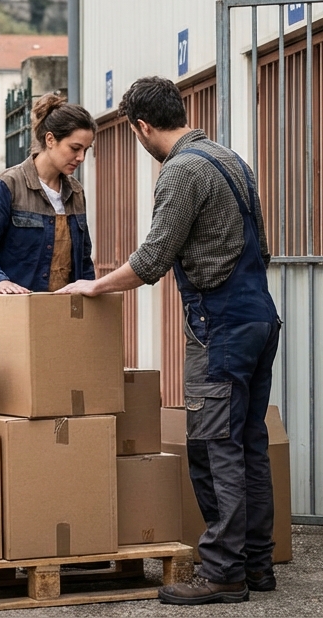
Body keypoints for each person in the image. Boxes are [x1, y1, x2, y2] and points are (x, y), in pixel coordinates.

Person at [59, 76, 280, 604]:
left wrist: (96, 284)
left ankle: (225, 573)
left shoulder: (181, 171)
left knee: (213, 445)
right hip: (260, 318)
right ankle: (257, 564)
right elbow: (263, 246)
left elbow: (152, 259)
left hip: (221, 327)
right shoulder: (230, 160)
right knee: (250, 442)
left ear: (140, 126)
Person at [0, 92, 98, 294]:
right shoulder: (6, 186)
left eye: (86, 150)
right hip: (14, 313)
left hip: (65, 315)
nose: (81, 157)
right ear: (50, 139)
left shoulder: (76, 192)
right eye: (75, 148)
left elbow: (84, 260)